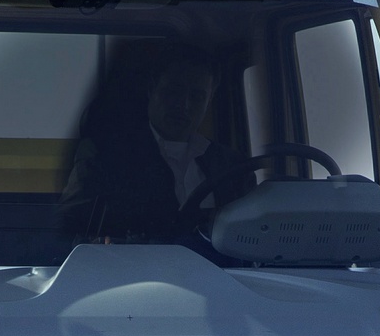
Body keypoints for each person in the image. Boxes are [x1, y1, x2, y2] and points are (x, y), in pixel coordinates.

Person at [56, 43, 246, 242]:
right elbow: (71, 231)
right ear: (152, 88)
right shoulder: (103, 156)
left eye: (196, 97)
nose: (184, 105)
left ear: (210, 100)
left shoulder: (230, 164)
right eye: (173, 92)